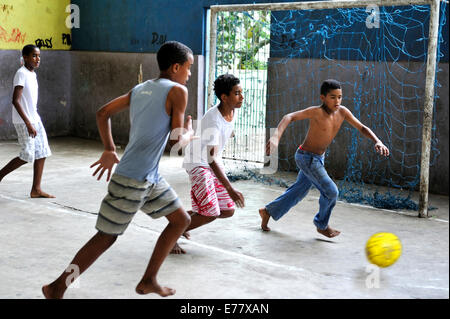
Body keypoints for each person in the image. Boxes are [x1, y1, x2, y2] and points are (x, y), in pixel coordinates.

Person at [42, 41, 196, 298]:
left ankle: (149, 280)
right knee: (106, 237)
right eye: (189, 68)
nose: (190, 74)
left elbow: (103, 113)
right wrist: (190, 134)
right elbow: (175, 141)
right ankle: (57, 286)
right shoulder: (178, 91)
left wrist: (110, 149)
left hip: (149, 177)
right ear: (176, 67)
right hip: (134, 179)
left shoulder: (140, 89)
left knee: (182, 220)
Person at [259, 79, 389, 237]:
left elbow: (362, 127)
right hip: (306, 158)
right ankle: (321, 224)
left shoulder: (343, 112)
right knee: (331, 191)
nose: (337, 101)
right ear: (323, 98)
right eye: (333, 97)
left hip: (319, 158)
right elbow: (289, 117)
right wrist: (276, 137)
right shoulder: (316, 112)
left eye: (340, 97)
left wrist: (378, 141)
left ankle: (267, 211)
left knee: (298, 191)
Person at [172, 74, 245, 254]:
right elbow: (210, 159)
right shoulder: (213, 118)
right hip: (198, 163)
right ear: (224, 97)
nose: (242, 97)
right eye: (237, 93)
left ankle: (180, 222)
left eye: (242, 93)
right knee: (210, 212)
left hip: (212, 161)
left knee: (227, 210)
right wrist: (230, 188)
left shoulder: (232, 111)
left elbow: (216, 150)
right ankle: (172, 235)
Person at [0, 44, 54, 198]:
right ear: (25, 57)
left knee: (42, 152)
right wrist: (28, 123)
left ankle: (36, 189)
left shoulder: (32, 74)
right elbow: (15, 101)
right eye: (34, 56)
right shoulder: (21, 73)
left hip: (35, 118)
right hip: (24, 121)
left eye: (39, 56)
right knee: (27, 155)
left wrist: (33, 121)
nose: (38, 59)